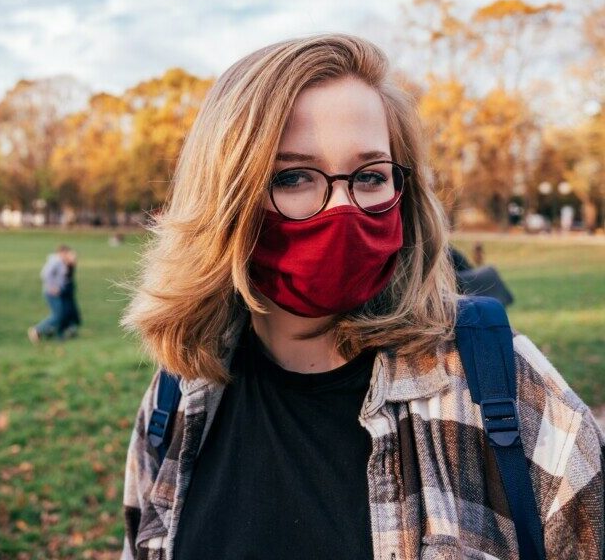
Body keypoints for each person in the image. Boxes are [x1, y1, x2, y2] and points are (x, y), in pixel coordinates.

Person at [120, 35, 604, 560]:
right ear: (224, 199)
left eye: (371, 175)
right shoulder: (176, 399)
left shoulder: (510, 392)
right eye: (294, 176)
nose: (344, 207)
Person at [28, 244, 75, 342]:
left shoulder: (61, 262)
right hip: (51, 292)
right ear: (62, 253)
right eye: (67, 253)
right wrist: (52, 287)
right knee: (58, 315)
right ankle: (37, 330)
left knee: (62, 313)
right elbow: (45, 274)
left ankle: (52, 332)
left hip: (58, 292)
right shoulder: (55, 261)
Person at [58, 248, 82, 338]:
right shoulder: (61, 264)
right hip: (65, 290)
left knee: (72, 310)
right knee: (67, 310)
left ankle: (71, 329)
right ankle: (66, 330)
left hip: (69, 290)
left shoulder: (69, 265)